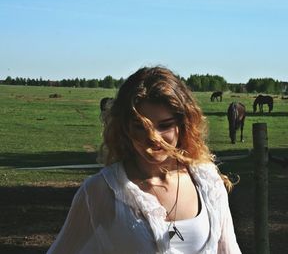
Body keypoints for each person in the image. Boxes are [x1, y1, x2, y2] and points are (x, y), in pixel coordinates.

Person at [47, 66, 241, 254]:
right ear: (125, 128)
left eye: (164, 125)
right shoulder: (102, 190)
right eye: (140, 126)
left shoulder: (207, 181)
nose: (153, 138)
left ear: (183, 125)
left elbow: (228, 250)